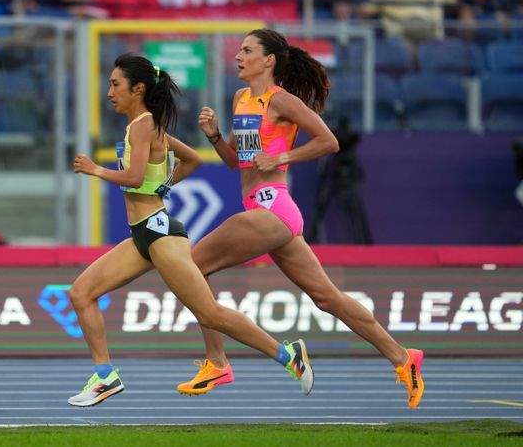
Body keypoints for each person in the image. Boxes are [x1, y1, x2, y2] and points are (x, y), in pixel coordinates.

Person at [176, 28, 425, 410]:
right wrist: (214, 136)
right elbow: (237, 163)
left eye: (247, 50)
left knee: (191, 267)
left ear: (269, 60)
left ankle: (218, 363)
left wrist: (281, 158)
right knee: (328, 298)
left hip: (273, 208)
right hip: (265, 211)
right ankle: (403, 357)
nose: (238, 56)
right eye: (239, 50)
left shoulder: (283, 101)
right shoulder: (242, 98)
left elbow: (329, 141)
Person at [68, 53, 313, 407]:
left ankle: (287, 355)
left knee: (210, 313)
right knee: (81, 293)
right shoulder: (144, 125)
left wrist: (97, 170)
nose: (109, 92)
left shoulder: (143, 125)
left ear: (137, 89)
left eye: (115, 84)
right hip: (144, 234)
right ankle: (105, 377)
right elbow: (193, 159)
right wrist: (163, 185)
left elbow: (135, 178)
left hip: (161, 234)